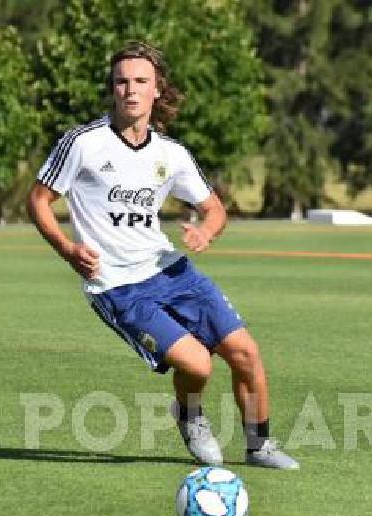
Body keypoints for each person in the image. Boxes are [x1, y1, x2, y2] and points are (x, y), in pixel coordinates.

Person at [28, 41, 298, 469]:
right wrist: (67, 249)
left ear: (157, 90)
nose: (129, 90)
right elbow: (39, 200)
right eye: (121, 81)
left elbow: (213, 209)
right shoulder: (83, 143)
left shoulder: (170, 154)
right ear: (111, 89)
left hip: (170, 270)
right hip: (116, 285)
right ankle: (189, 416)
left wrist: (206, 232)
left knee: (245, 352)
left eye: (140, 81)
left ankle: (259, 446)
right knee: (197, 366)